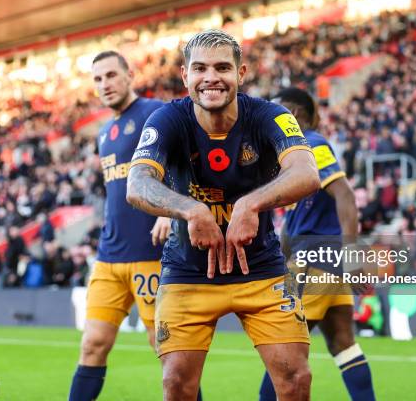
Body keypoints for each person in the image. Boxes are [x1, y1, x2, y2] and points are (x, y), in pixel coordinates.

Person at [127, 30, 320, 401]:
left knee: (297, 380)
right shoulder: (167, 120)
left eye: (222, 67)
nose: (211, 77)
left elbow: (306, 172)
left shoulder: (270, 116)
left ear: (241, 72)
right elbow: (136, 184)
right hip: (187, 270)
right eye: (199, 68)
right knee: (176, 386)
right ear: (185, 76)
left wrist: (250, 204)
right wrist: (190, 209)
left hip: (261, 270)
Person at [259, 88, 376, 401]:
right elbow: (291, 226)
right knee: (343, 344)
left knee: (282, 352)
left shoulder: (311, 143)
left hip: (313, 263)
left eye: (276, 112)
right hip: (323, 262)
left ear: (293, 115)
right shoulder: (293, 159)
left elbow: (346, 196)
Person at [68, 51, 171, 401]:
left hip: (151, 254)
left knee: (168, 353)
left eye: (111, 75)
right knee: (92, 344)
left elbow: (188, 163)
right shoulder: (104, 133)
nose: (104, 84)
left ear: (130, 75)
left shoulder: (155, 112)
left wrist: (168, 212)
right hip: (109, 257)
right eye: (97, 79)